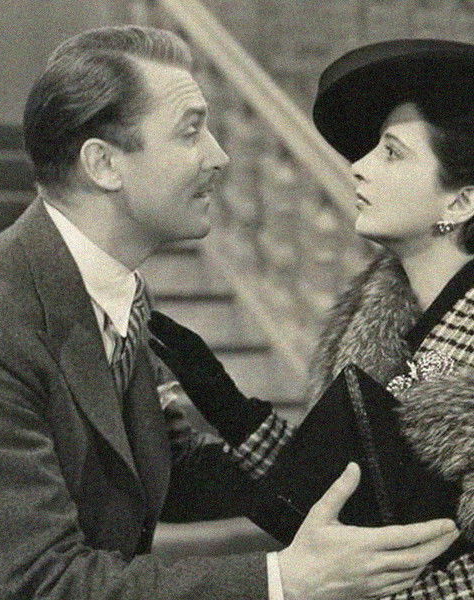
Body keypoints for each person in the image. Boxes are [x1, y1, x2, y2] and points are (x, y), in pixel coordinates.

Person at [0, 28, 458, 600]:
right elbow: (38, 581)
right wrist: (286, 579)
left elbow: (160, 471)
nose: (220, 157)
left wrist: (334, 475)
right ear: (104, 165)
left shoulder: (113, 288)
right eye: (191, 131)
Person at [149, 38, 474, 599]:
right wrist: (229, 406)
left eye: (391, 153)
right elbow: (346, 496)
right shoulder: (374, 321)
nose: (359, 168)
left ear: (460, 203)